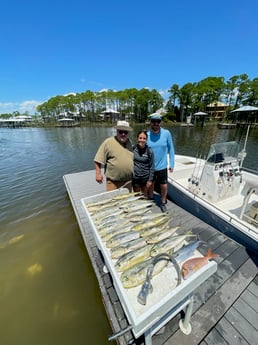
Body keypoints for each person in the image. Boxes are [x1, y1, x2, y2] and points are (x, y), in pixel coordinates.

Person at [94, 120, 134, 192]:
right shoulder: (108, 142)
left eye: (125, 132)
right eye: (121, 131)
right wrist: (98, 174)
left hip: (128, 181)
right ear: (117, 131)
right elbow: (98, 159)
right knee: (113, 202)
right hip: (113, 182)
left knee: (126, 201)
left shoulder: (129, 142)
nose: (123, 134)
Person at [147, 113, 175, 212]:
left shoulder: (166, 133)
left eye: (158, 121)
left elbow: (171, 149)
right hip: (150, 166)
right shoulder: (146, 135)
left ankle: (163, 202)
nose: (155, 123)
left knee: (163, 185)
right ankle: (150, 198)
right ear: (150, 122)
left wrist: (172, 163)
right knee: (151, 184)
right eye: (153, 121)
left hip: (162, 166)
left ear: (160, 122)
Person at [132, 130, 155, 198]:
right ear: (137, 138)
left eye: (144, 138)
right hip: (135, 178)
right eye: (140, 138)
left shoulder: (149, 151)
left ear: (146, 140)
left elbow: (152, 166)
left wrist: (150, 180)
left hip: (145, 178)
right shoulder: (133, 148)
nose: (142, 140)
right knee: (136, 196)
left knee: (144, 196)